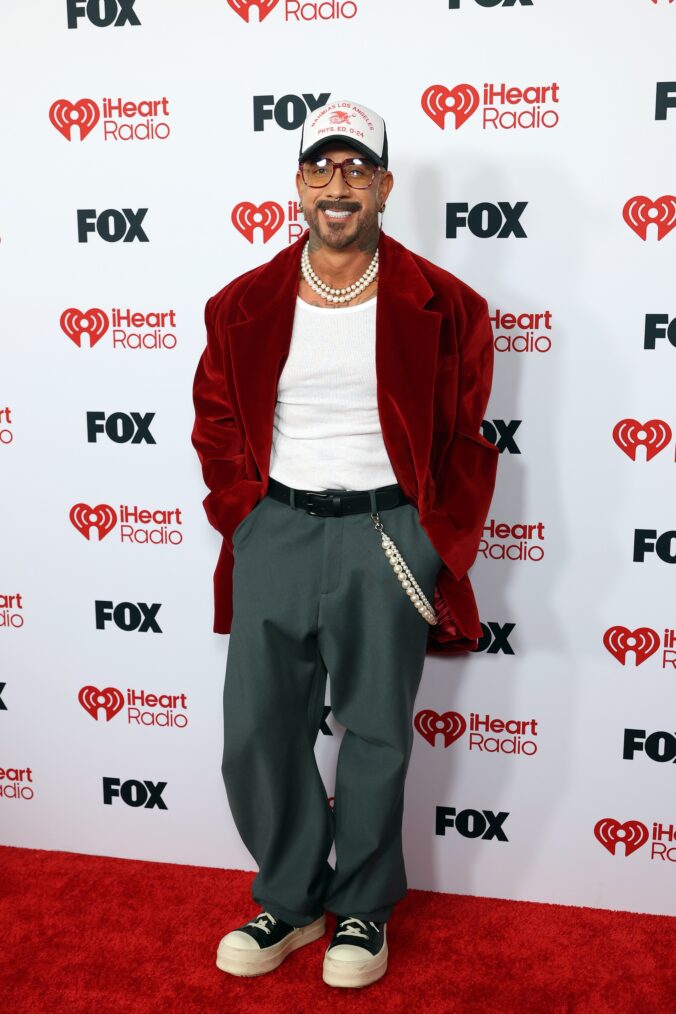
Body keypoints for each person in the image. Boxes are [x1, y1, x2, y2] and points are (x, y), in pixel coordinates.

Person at [191, 99, 499, 989]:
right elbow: (216, 424)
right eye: (322, 169)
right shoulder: (242, 303)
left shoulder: (449, 305)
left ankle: (361, 907)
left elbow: (467, 439)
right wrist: (245, 517)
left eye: (358, 170)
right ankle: (288, 903)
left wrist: (434, 540)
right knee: (257, 730)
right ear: (298, 185)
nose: (339, 186)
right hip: (276, 530)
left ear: (385, 187)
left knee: (374, 734)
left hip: (387, 535)